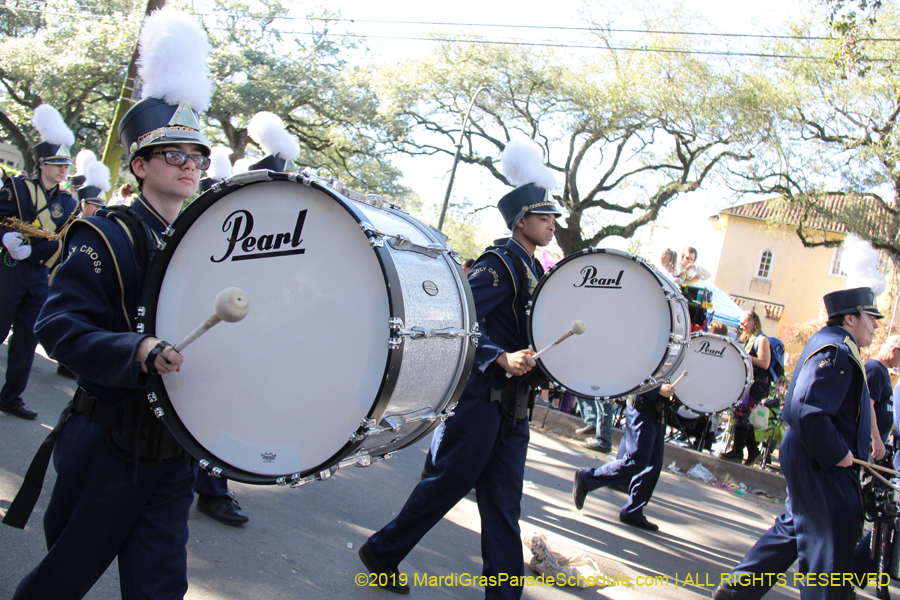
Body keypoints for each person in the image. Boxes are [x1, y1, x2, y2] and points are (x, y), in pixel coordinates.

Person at [4, 8, 214, 598]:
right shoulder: (105, 234)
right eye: (175, 155)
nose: (191, 164)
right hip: (108, 445)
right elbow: (59, 326)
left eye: (197, 156)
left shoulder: (204, 243)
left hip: (176, 449)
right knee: (60, 581)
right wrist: (138, 349)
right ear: (140, 165)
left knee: (159, 589)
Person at [358, 137, 560, 598]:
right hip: (481, 402)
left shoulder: (535, 270)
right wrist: (499, 356)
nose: (551, 225)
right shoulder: (498, 266)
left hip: (513, 408)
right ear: (520, 220)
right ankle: (384, 550)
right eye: (544, 217)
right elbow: (458, 321)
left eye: (552, 218)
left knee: (504, 505)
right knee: (447, 484)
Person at [713, 286, 882, 600]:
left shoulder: (831, 342)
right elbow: (807, 409)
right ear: (850, 318)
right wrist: (839, 452)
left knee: (795, 525)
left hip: (811, 454)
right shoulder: (837, 351)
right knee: (830, 535)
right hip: (821, 458)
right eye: (870, 317)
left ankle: (738, 589)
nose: (875, 325)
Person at [0, 104, 78, 420]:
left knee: (26, 339)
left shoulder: (68, 202)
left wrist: (33, 253)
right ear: (41, 163)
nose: (63, 169)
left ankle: (11, 396)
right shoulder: (16, 188)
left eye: (66, 163)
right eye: (57, 163)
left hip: (39, 274)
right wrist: (3, 238)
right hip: (8, 270)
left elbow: (62, 240)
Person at [572, 382, 676, 532]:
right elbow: (635, 373)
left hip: (658, 408)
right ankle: (587, 478)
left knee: (654, 463)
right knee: (637, 461)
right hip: (642, 406)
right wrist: (657, 389)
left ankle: (634, 511)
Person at [720, 311, 770, 466]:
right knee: (741, 412)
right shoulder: (750, 339)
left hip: (758, 384)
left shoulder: (762, 340)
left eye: (744, 322)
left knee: (742, 412)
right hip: (749, 381)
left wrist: (744, 355)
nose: (741, 325)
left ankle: (738, 451)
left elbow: (764, 363)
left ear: (753, 321)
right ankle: (753, 451)